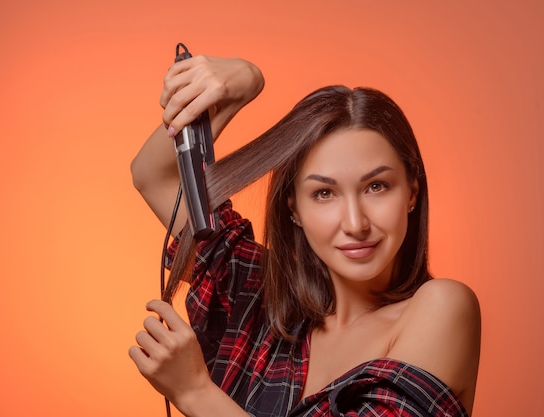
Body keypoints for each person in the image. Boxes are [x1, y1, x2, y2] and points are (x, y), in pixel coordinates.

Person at [129, 54, 481, 417]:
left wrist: (195, 393)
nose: (355, 223)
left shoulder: (441, 310)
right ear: (293, 209)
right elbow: (156, 176)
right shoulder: (258, 299)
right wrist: (242, 85)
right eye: (324, 193)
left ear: (411, 192)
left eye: (377, 186)